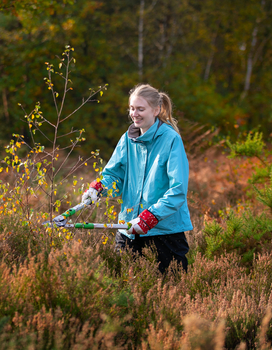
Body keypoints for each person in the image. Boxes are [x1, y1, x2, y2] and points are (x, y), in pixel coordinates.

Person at [82, 83, 192, 273]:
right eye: (132, 108)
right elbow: (114, 175)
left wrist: (151, 217)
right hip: (128, 229)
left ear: (156, 110)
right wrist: (98, 188)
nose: (135, 114)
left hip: (165, 232)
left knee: (171, 291)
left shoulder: (171, 139)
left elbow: (178, 190)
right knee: (123, 288)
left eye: (141, 109)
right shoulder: (127, 138)